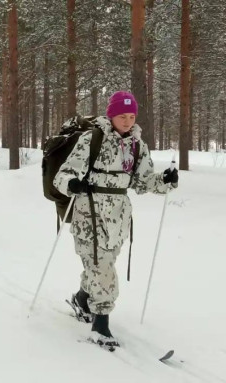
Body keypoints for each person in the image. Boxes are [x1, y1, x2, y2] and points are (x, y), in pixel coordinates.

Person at [53, 91, 179, 348]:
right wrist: (73, 183)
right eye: (122, 115)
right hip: (89, 213)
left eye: (131, 116)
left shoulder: (137, 146)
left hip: (119, 218)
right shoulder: (91, 139)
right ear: (111, 115)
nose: (127, 120)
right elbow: (62, 175)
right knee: (102, 268)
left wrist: (165, 181)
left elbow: (144, 182)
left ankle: (82, 297)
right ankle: (101, 323)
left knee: (102, 264)